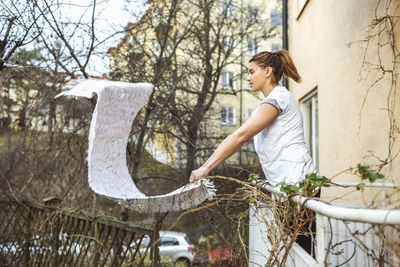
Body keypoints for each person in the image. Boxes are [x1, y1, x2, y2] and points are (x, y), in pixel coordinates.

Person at [189, 49, 315, 185]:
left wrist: (206, 168)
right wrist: (205, 167)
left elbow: (241, 136)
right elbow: (236, 135)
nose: (248, 78)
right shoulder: (267, 105)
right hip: (285, 183)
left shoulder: (279, 98)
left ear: (267, 71)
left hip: (298, 180)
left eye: (252, 72)